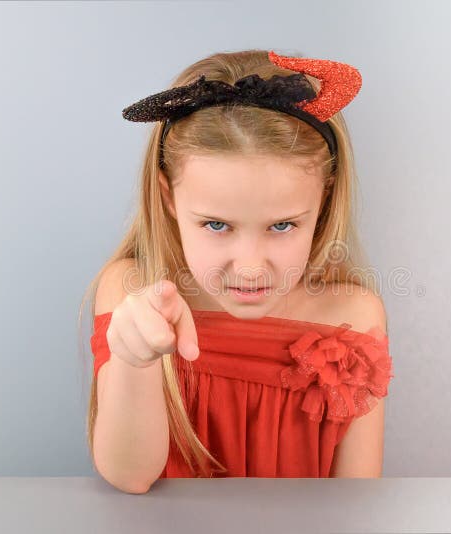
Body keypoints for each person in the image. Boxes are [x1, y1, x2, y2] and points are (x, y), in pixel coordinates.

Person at [79, 49, 394, 492]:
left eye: (282, 225)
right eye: (217, 225)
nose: (249, 268)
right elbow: (129, 477)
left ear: (323, 200)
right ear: (169, 199)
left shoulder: (355, 316)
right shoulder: (134, 290)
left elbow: (358, 499)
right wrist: (134, 361)